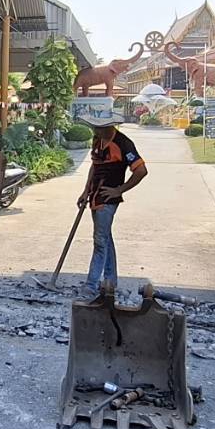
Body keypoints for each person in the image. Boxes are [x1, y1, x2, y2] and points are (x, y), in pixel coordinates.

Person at [77, 109, 148, 301]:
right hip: (95, 196)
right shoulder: (97, 141)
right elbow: (94, 166)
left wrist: (119, 190)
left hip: (107, 200)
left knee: (100, 241)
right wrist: (86, 190)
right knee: (106, 238)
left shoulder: (124, 144)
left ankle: (91, 285)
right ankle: (110, 281)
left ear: (109, 127)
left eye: (99, 127)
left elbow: (141, 171)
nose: (95, 130)